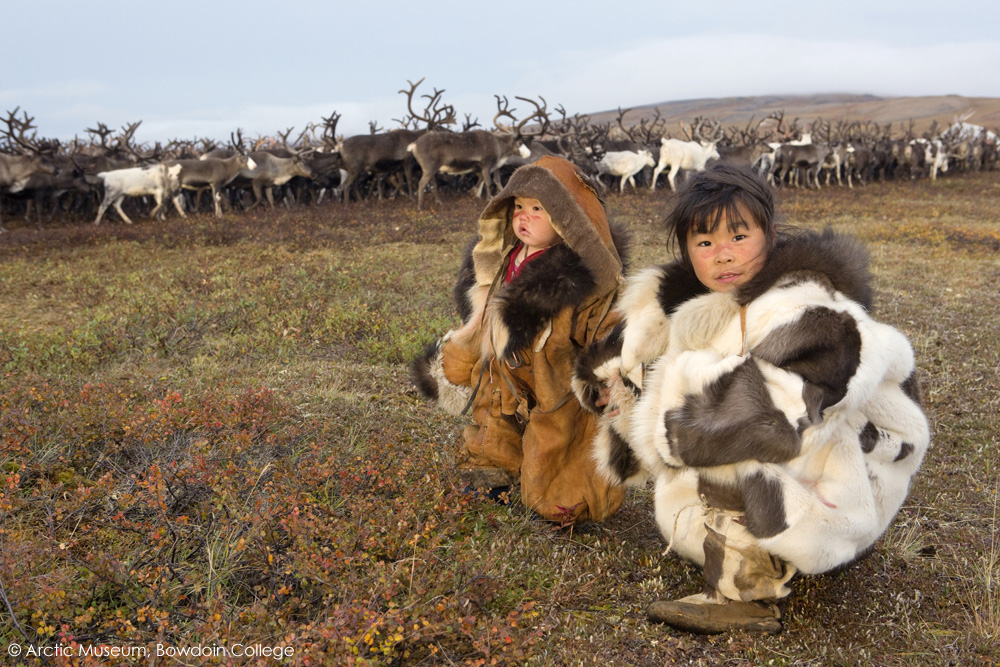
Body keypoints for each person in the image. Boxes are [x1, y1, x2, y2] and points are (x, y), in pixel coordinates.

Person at [572, 161, 930, 633]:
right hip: (811, 472)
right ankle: (754, 548)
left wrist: (675, 397)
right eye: (704, 243)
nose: (722, 255)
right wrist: (620, 390)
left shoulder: (806, 309)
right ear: (687, 252)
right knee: (700, 422)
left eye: (738, 238)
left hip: (851, 486)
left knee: (730, 429)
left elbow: (773, 420)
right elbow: (646, 398)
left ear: (771, 235)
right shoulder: (700, 310)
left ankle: (746, 595)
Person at [412, 155, 629, 524]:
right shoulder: (500, 258)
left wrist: (611, 373)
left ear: (567, 220)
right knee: (493, 417)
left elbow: (607, 326)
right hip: (502, 370)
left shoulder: (582, 277)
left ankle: (561, 497)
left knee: (557, 440)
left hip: (554, 378)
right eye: (517, 207)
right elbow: (482, 312)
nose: (522, 217)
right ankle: (494, 471)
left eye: (537, 209)